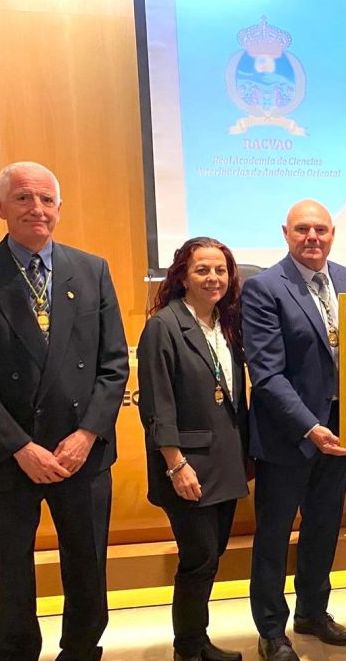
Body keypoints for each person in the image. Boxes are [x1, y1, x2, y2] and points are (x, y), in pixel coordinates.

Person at [0, 161, 129, 660]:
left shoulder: (91, 270)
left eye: (47, 199)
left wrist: (87, 434)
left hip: (81, 454)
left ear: (60, 209)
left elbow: (114, 366)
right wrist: (19, 446)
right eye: (24, 198)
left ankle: (82, 650)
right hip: (8, 456)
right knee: (6, 573)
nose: (37, 209)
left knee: (87, 566)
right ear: (0, 207)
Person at [242, 200, 346, 661]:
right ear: (286, 233)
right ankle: (271, 629)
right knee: (273, 534)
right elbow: (267, 374)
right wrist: (309, 427)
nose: (313, 237)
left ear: (333, 233)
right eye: (302, 229)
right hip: (288, 435)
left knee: (324, 527)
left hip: (341, 432)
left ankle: (313, 611)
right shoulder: (264, 287)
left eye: (321, 230)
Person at [137, 237, 249, 661]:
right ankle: (187, 648)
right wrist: (175, 464)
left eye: (220, 270)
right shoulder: (163, 327)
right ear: (182, 275)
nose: (213, 278)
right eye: (202, 269)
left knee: (210, 557)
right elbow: (157, 406)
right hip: (187, 467)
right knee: (198, 559)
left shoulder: (226, 324)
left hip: (224, 462)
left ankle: (198, 642)